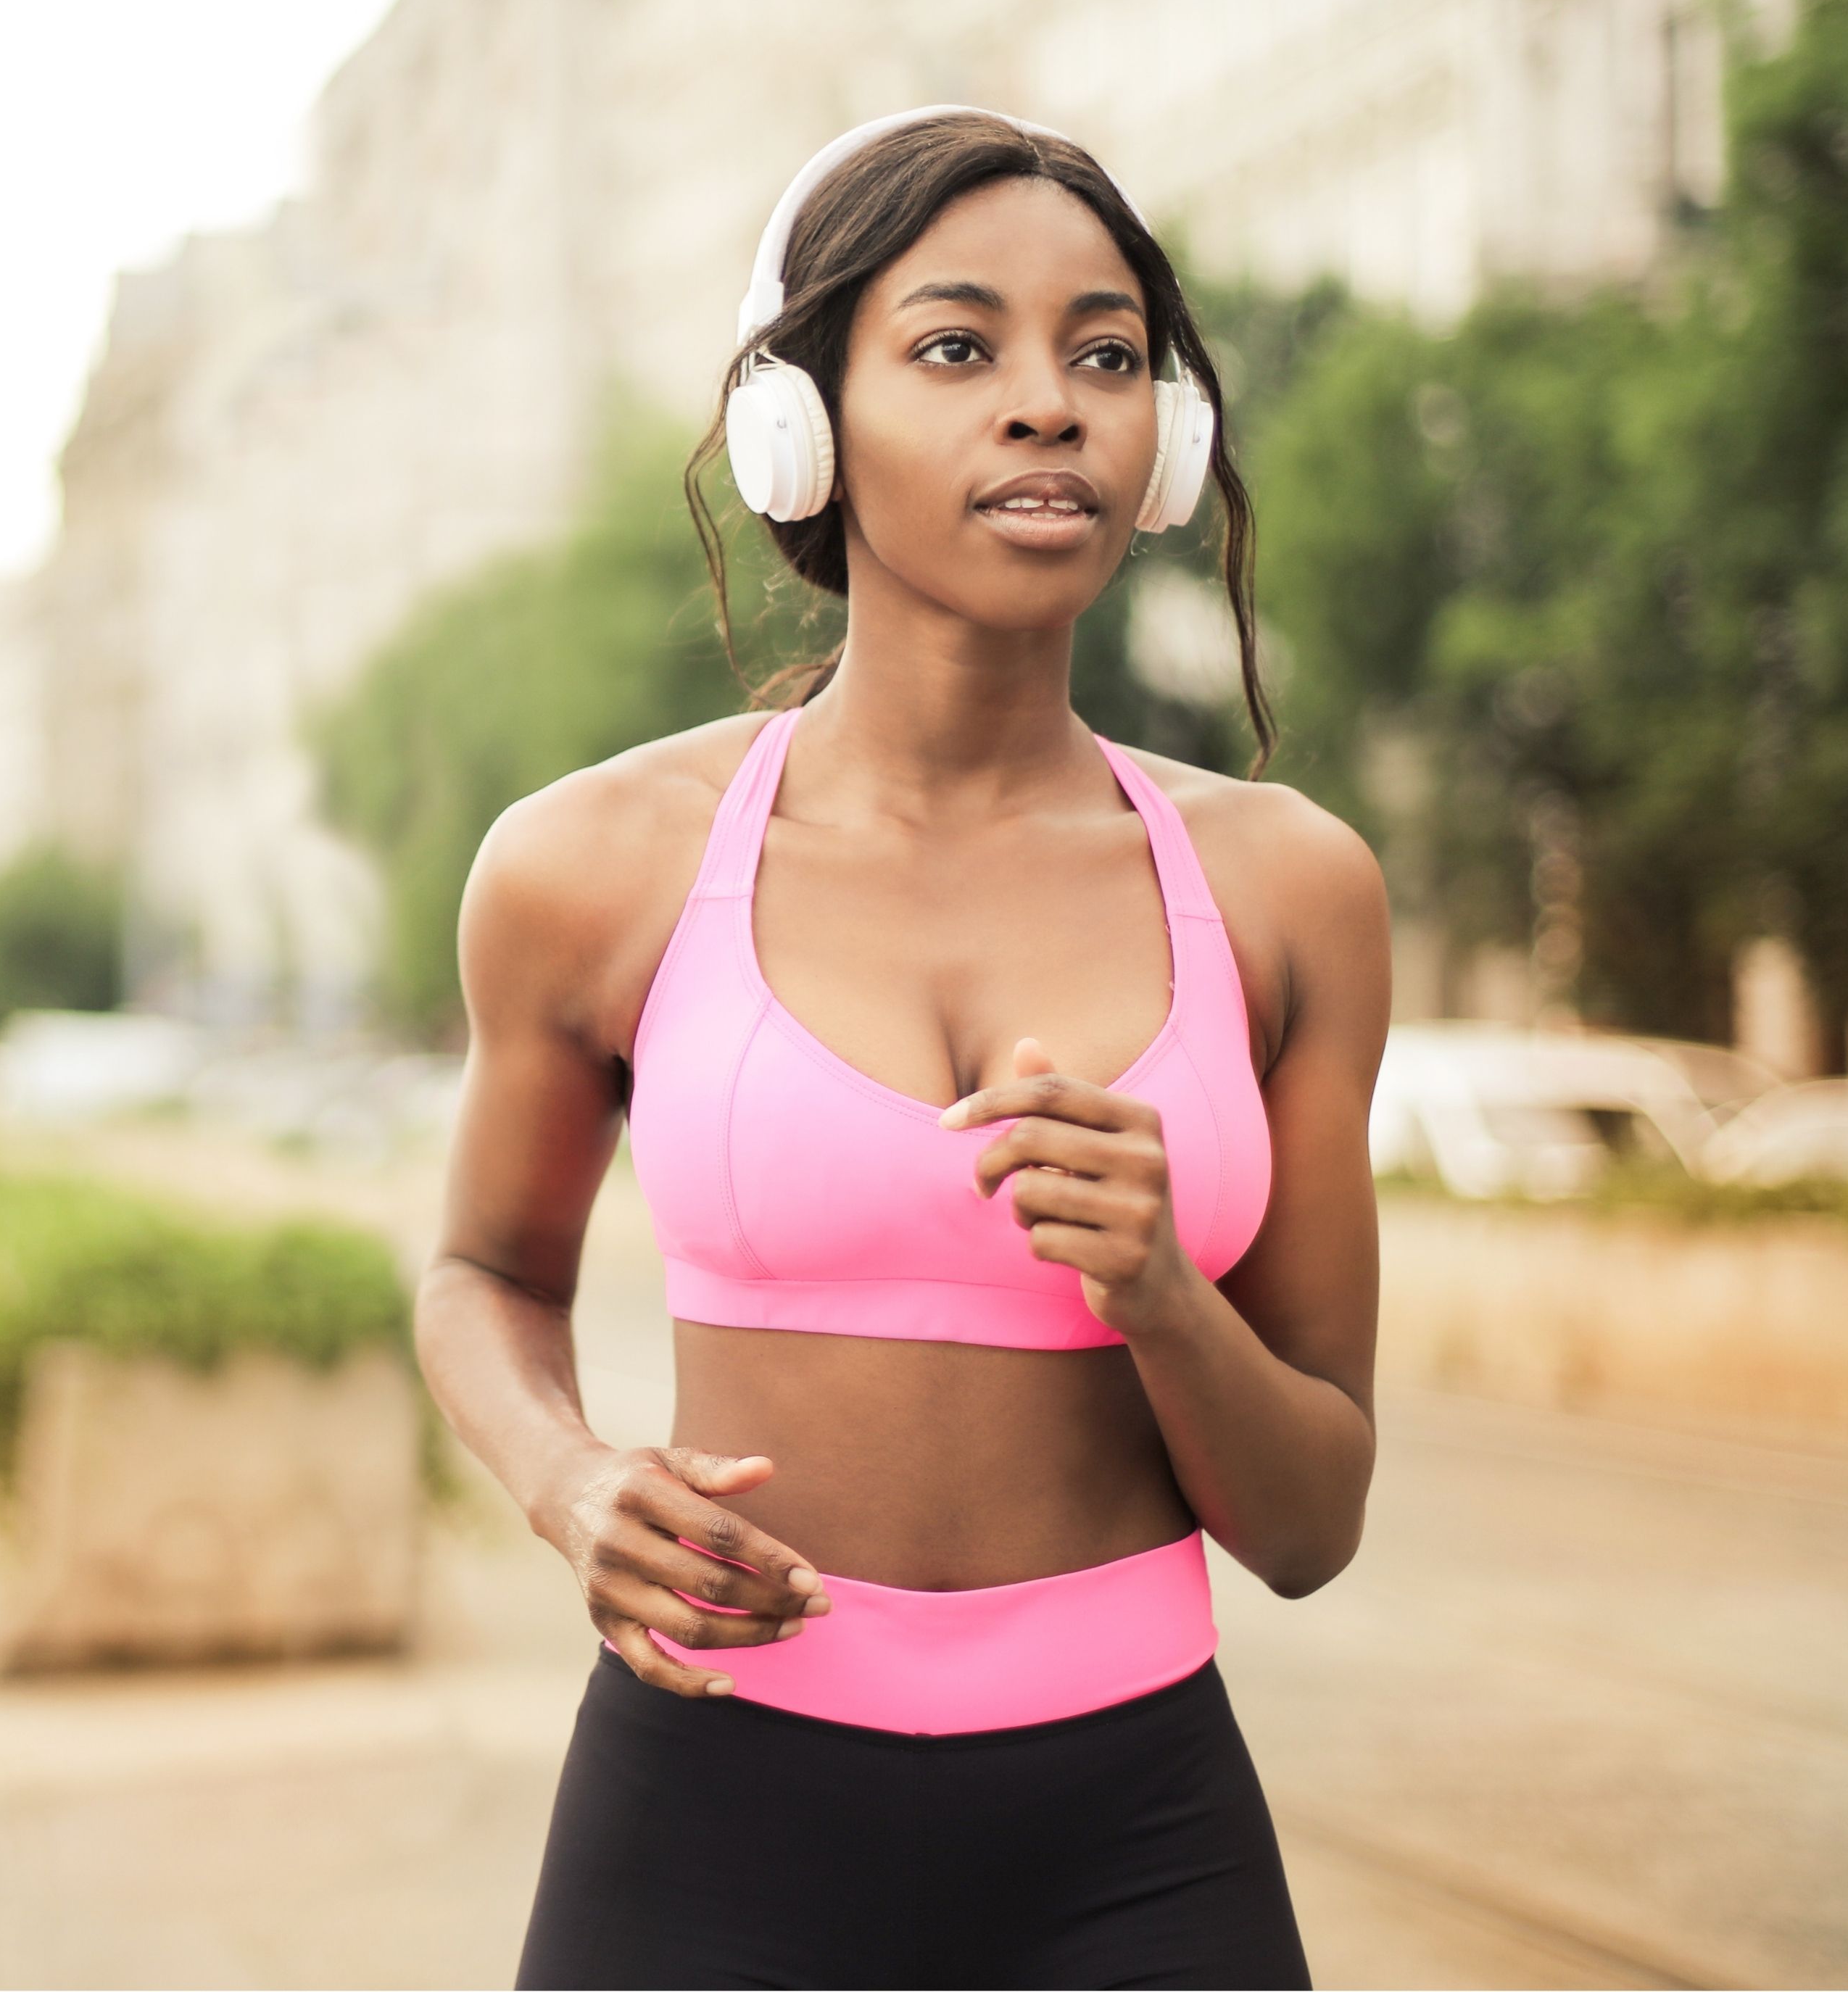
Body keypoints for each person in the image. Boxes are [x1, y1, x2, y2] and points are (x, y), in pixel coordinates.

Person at [420, 108, 1387, 1990]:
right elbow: (482, 1270)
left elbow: (1313, 1527)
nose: (1050, 405)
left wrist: (1165, 1293)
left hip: (1140, 1847)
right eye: (960, 347)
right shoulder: (592, 869)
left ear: (1166, 445)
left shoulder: (1289, 891)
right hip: (704, 1822)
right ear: (803, 423)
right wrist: (567, 1481)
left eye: (1106, 356)